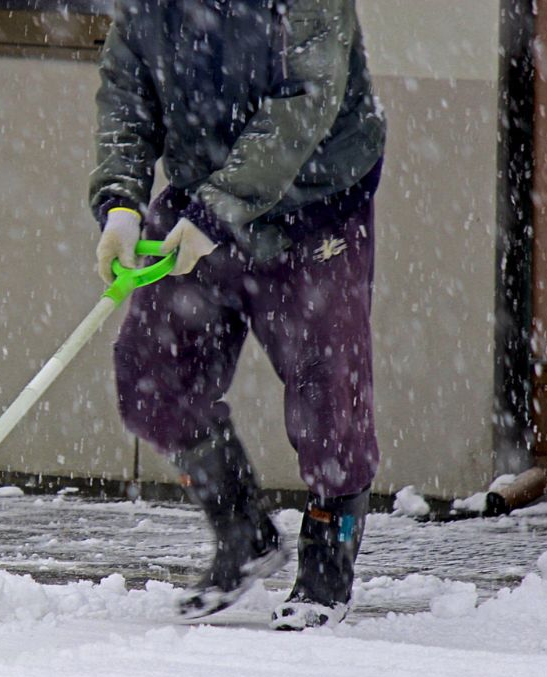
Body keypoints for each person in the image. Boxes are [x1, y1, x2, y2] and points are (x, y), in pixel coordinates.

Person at [89, 0, 386, 629]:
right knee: (152, 373)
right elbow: (127, 87)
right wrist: (120, 200)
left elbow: (306, 97)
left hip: (315, 206)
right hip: (201, 197)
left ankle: (326, 569)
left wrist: (219, 210)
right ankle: (243, 530)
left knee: (328, 394)